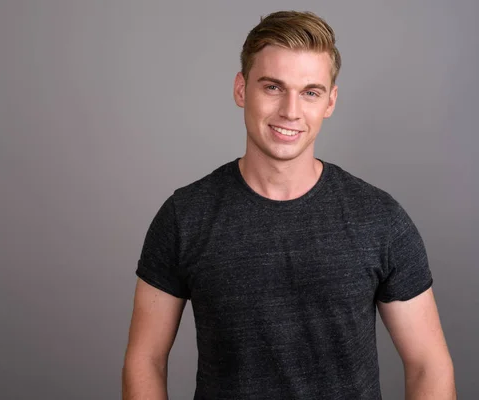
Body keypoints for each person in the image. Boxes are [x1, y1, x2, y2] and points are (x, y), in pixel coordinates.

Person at [122, 10, 456, 400]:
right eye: (273, 87)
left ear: (330, 101)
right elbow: (144, 360)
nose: (290, 111)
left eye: (310, 92)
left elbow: (429, 365)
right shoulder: (185, 217)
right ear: (241, 89)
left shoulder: (379, 219)